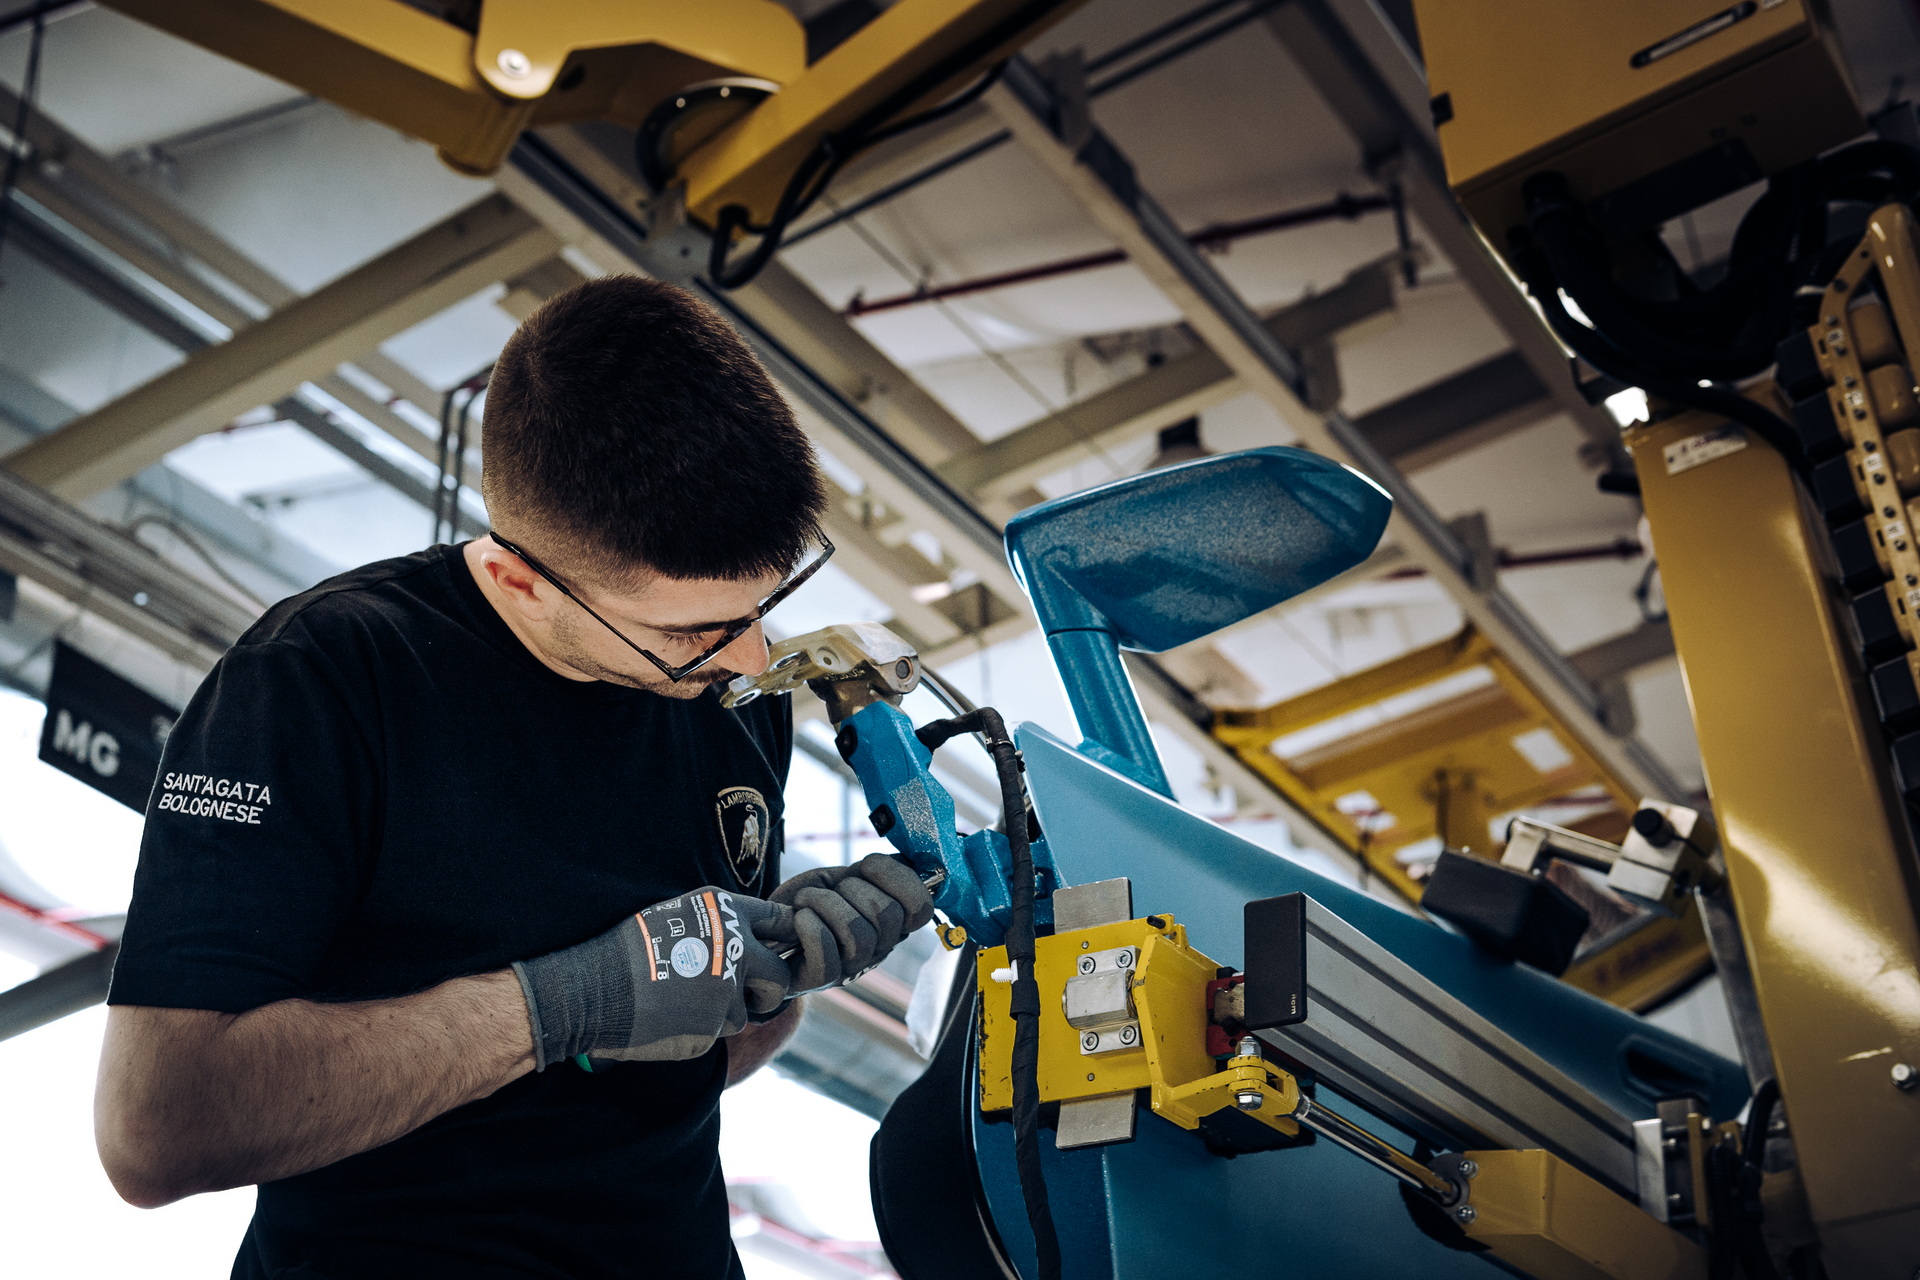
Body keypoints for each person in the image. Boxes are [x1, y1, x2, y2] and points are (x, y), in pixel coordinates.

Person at [94, 275, 933, 1278]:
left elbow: (683, 1066)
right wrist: (559, 1003)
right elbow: (159, 1126)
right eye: (688, 631)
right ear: (515, 578)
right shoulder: (321, 679)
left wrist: (770, 978)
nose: (748, 660)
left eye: (761, 607)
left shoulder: (725, 689)